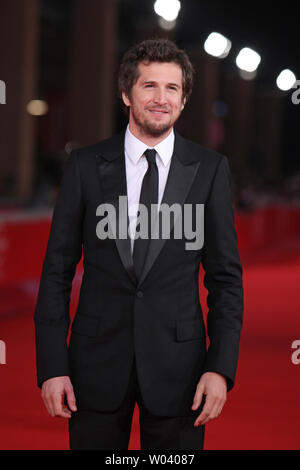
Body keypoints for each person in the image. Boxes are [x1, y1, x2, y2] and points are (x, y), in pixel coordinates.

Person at [34, 38, 244, 450]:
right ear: (126, 94)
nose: (161, 98)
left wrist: (220, 367)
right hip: (93, 368)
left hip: (181, 369)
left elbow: (226, 280)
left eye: (172, 89)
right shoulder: (85, 167)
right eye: (149, 86)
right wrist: (51, 367)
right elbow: (56, 272)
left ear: (183, 101)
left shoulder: (209, 170)